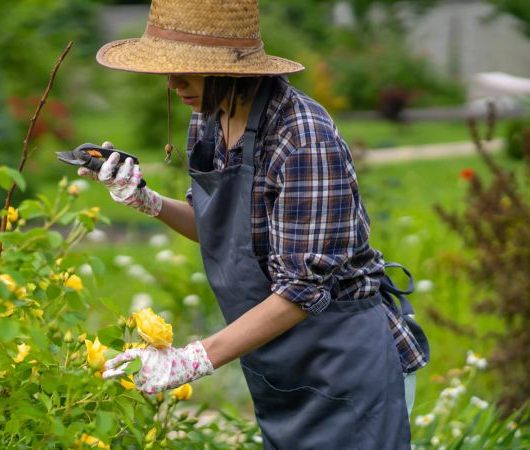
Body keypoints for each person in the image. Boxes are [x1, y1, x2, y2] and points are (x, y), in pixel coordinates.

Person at [78, 1, 429, 448]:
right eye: (167, 69)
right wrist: (146, 201)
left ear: (233, 69)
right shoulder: (209, 117)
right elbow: (226, 232)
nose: (173, 82)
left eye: (188, 68)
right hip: (282, 367)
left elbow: (302, 292)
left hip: (345, 366)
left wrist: (191, 361)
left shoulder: (301, 138)